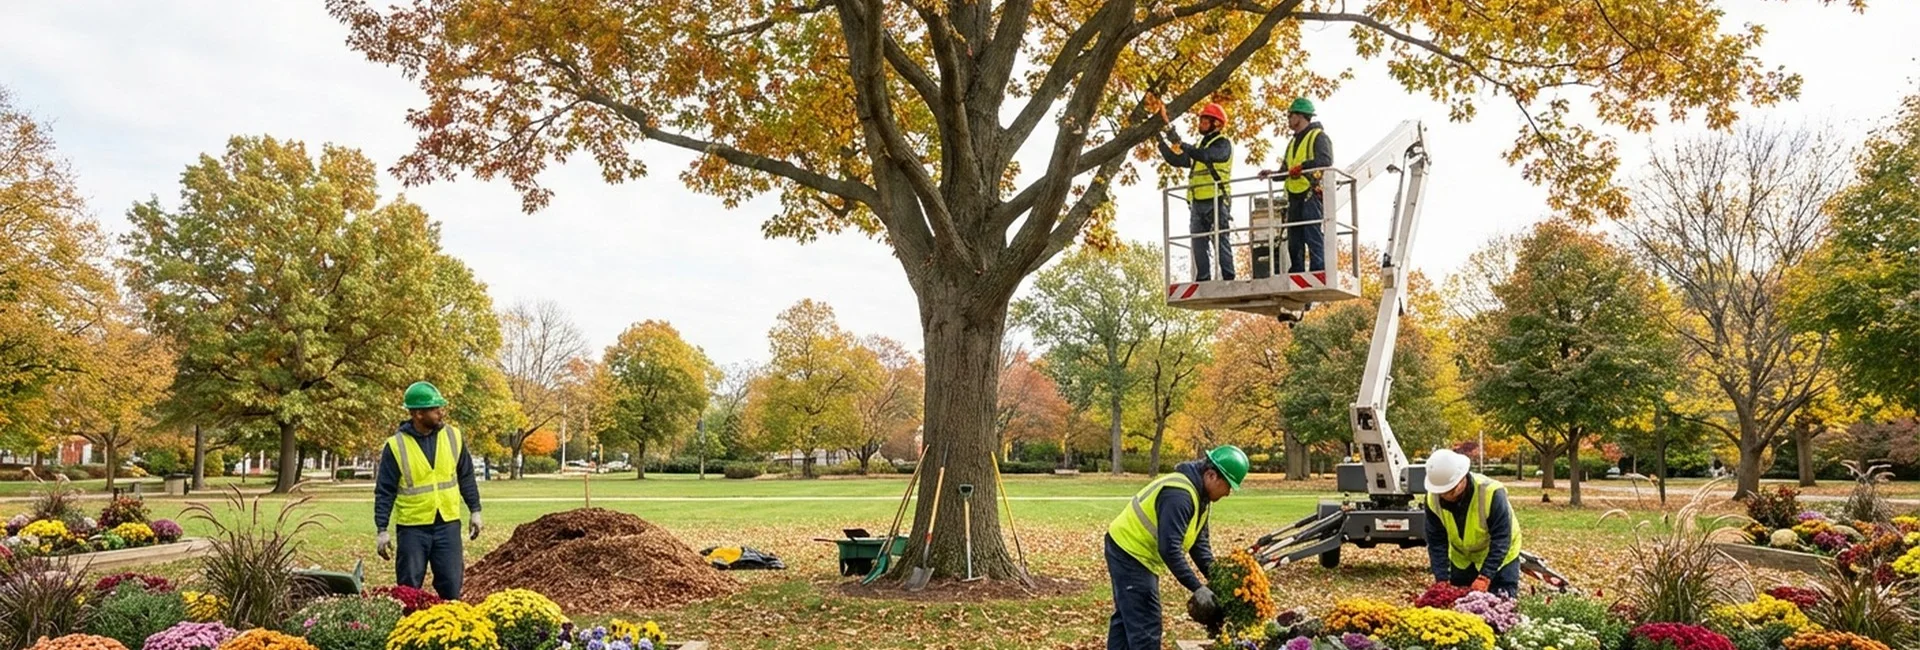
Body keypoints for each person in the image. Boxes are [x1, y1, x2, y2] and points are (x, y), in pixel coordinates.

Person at [1104, 446, 1250, 650]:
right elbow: (1170, 549)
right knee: (1146, 625)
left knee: (1127, 618)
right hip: (1130, 552)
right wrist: (1197, 588)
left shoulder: (1201, 497)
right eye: (1228, 486)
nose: (1228, 493)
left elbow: (1199, 545)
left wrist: (1217, 577)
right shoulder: (1180, 495)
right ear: (1211, 475)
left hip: (1130, 549)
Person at [374, 381, 483, 600]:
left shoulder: (454, 437)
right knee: (408, 590)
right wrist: (382, 529)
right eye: (435, 409)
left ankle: (452, 630)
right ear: (417, 414)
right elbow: (385, 491)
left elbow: (466, 477)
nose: (440, 412)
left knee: (452, 586)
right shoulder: (395, 446)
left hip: (448, 524)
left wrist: (475, 510)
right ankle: (409, 631)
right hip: (412, 528)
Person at [1421, 449, 1524, 598]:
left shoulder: (1491, 492)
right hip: (1463, 558)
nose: (1445, 496)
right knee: (1459, 607)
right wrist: (1441, 580)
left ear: (1463, 478)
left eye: (1450, 490)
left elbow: (1501, 538)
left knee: (1500, 607)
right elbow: (1437, 542)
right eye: (1441, 492)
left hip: (1500, 555)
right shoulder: (1433, 499)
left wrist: (1485, 576)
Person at [1158, 103, 1236, 281]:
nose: (1200, 123)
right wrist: (1160, 142)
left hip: (1217, 198)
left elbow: (1206, 155)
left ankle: (1229, 277)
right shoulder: (1198, 146)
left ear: (1216, 123)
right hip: (1197, 201)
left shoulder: (1222, 144)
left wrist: (1179, 143)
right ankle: (1203, 277)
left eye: (1204, 120)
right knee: (1198, 241)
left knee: (1220, 239)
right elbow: (1177, 160)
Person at [1259, 98, 1333, 273]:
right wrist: (1272, 174)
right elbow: (1286, 170)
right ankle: (1297, 268)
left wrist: (1303, 167)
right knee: (1294, 236)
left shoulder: (1318, 137)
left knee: (1312, 232)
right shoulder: (1292, 143)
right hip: (1294, 194)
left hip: (1311, 192)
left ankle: (1318, 267)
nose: (1288, 119)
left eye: (1290, 115)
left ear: (1300, 116)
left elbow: (1326, 160)